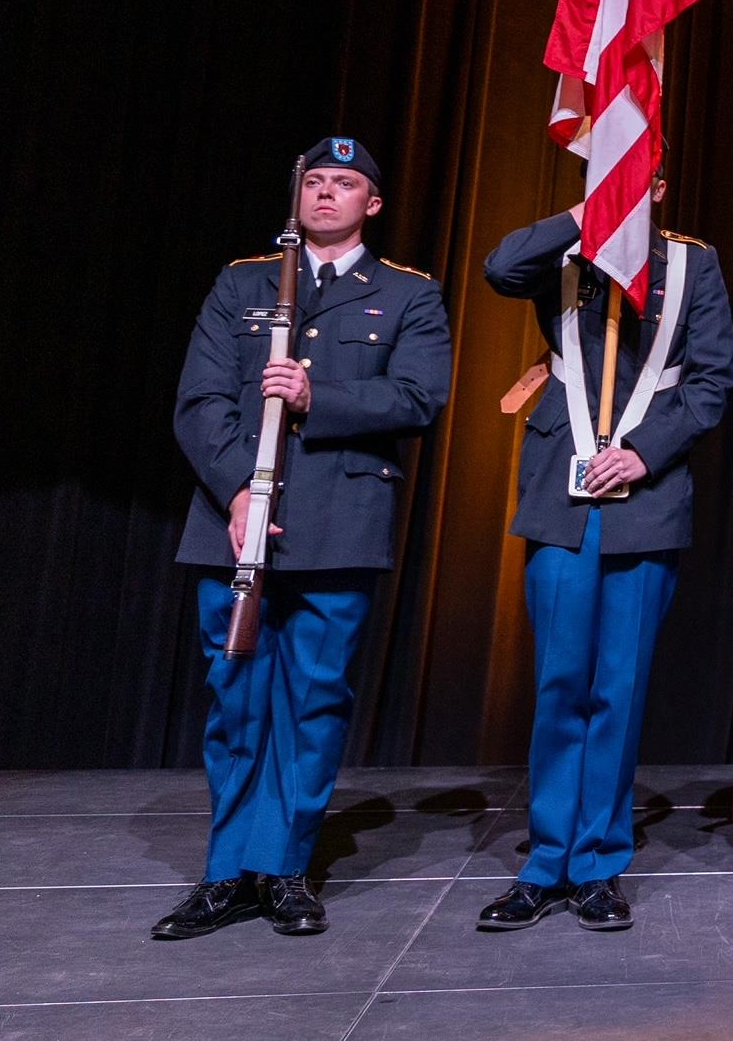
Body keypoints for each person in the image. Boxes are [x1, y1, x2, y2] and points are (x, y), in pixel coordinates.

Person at [155, 137, 452, 941]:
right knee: (235, 701)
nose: (325, 194)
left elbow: (421, 396)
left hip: (339, 523)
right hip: (236, 524)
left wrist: (323, 392)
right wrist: (237, 490)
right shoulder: (243, 282)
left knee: (313, 700)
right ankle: (225, 874)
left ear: (372, 203)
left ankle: (282, 866)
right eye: (314, 181)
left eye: (344, 183)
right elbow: (200, 399)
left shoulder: (406, 294)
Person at [474, 179, 733, 934]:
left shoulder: (693, 265)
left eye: (633, 170)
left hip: (645, 499)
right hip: (561, 496)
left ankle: (596, 863)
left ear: (659, 182)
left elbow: (712, 383)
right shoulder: (563, 249)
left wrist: (645, 454)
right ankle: (544, 862)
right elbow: (499, 268)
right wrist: (586, 214)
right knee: (560, 682)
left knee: (617, 691)